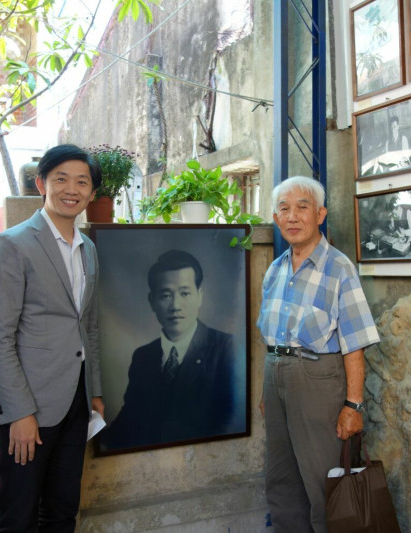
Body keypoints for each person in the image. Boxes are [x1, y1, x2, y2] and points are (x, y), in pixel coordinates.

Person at [0, 144, 104, 532]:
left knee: (62, 512)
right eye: (61, 179)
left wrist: (94, 390)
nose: (72, 189)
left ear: (92, 193)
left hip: (74, 405)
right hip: (28, 408)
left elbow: (90, 327)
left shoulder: (89, 251)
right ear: (41, 184)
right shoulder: (13, 244)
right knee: (17, 517)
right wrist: (18, 413)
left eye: (82, 182)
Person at [257, 176, 379, 533]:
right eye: (284, 209)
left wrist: (353, 405)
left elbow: (354, 341)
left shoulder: (338, 268)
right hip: (275, 376)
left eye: (302, 207)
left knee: (324, 484)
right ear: (277, 219)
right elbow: (269, 336)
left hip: (318, 381)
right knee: (281, 480)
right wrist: (269, 390)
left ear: (320, 214)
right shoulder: (275, 270)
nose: (292, 217)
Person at [104, 250, 236, 449]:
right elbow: (129, 422)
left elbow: (231, 422)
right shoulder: (143, 357)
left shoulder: (226, 349)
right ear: (152, 301)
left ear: (199, 296)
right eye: (166, 295)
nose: (175, 305)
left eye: (185, 293)